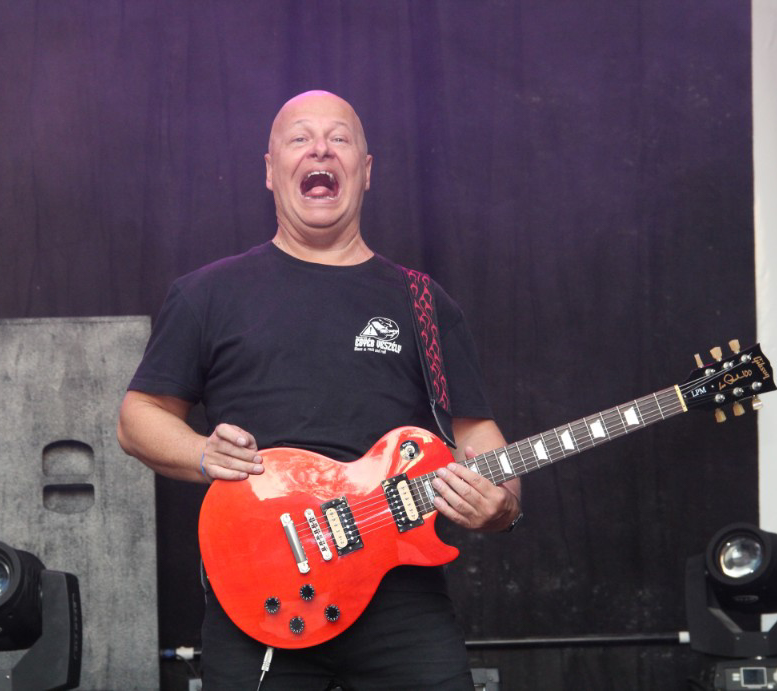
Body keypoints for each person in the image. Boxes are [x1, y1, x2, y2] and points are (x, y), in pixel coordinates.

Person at [117, 90, 522, 690]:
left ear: (365, 169)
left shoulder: (423, 302)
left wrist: (503, 504)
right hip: (264, 585)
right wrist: (202, 452)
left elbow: (475, 432)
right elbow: (138, 415)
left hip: (400, 593)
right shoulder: (207, 294)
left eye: (339, 138)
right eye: (300, 137)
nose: (321, 149)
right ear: (270, 169)